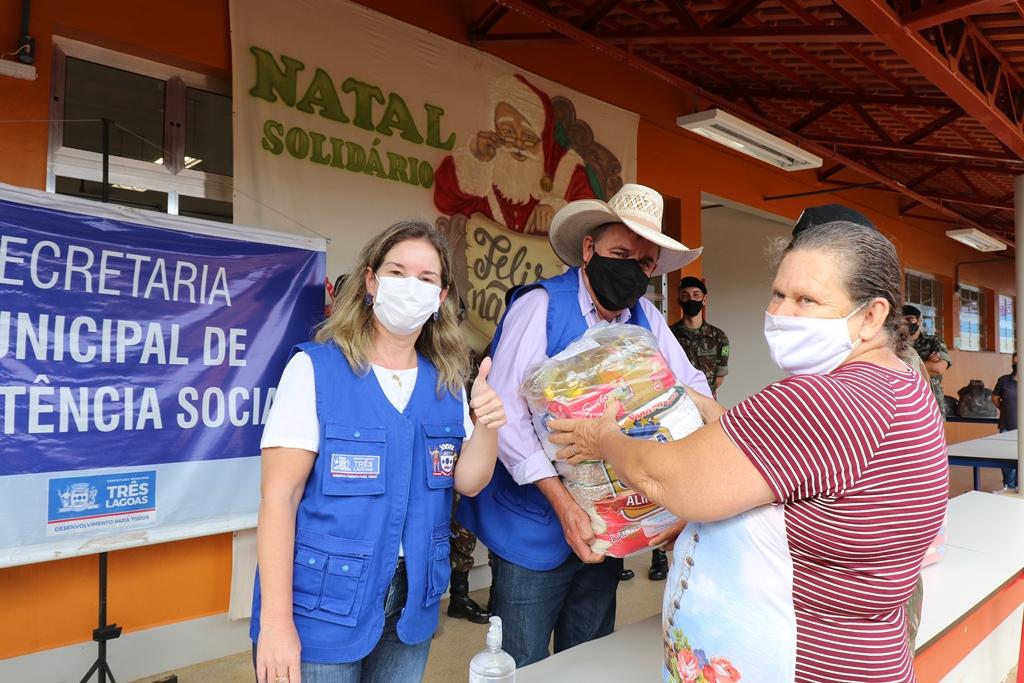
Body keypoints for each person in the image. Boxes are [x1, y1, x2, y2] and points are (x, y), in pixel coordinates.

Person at [549, 220, 948, 683]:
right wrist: (700, 405)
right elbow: (796, 464)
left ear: (872, 315)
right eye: (778, 294)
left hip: (799, 662)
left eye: (807, 300)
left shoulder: (820, 400)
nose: (782, 312)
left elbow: (672, 481)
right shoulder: (901, 383)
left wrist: (604, 438)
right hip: (866, 653)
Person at [457, 183, 712, 667]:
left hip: (611, 524)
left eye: (642, 263)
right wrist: (562, 502)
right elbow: (507, 415)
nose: (630, 270)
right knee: (524, 661)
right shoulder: (540, 306)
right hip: (534, 522)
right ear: (590, 249)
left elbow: (693, 386)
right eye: (620, 253)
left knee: (590, 655)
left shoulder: (647, 319)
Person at [251, 221, 506, 683]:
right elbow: (278, 499)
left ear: (441, 296)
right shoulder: (315, 369)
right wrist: (275, 622)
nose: (412, 287)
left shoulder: (447, 382)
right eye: (397, 272)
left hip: (413, 603)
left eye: (427, 279)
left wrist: (487, 425)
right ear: (371, 281)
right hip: (323, 606)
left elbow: (468, 482)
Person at [433, 73, 595, 234]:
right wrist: (476, 160)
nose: (518, 144)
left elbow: (592, 223)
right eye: (508, 132)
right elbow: (445, 201)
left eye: (528, 136)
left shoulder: (566, 170)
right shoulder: (484, 161)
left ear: (542, 139)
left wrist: (558, 212)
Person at [670, 276, 730, 399]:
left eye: (696, 294)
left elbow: (718, 379)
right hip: (677, 402)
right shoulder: (669, 335)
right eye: (685, 295)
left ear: (704, 299)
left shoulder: (718, 336)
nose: (691, 299)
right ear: (679, 300)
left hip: (707, 401)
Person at [904, 306, 951, 410]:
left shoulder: (933, 341)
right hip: (905, 400)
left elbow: (938, 369)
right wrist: (927, 364)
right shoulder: (894, 344)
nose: (906, 323)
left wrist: (906, 367)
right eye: (902, 319)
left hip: (931, 401)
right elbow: (891, 371)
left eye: (910, 319)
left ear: (919, 321)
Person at [993, 353, 1019, 492]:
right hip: (1006, 426)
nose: (1015, 364)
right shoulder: (1004, 380)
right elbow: (995, 398)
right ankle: (1009, 486)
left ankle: (1020, 486)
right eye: (1014, 362)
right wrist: (1005, 409)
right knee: (1006, 459)